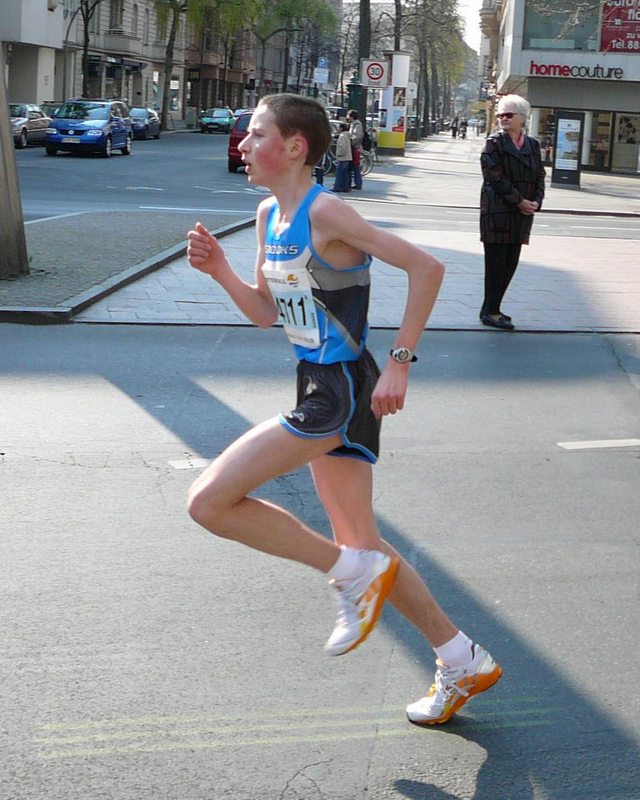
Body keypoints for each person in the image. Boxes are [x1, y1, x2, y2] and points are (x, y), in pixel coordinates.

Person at [186, 93, 502, 726]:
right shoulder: (266, 215)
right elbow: (265, 313)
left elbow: (427, 267)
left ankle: (345, 572)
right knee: (366, 542)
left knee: (209, 502)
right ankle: (460, 657)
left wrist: (400, 361)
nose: (243, 145)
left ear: (294, 146)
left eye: (255, 134)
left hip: (341, 392)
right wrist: (220, 271)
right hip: (318, 383)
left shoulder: (327, 212)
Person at [479, 94, 546, 330]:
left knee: (510, 264)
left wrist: (536, 201)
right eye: (500, 115)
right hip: (498, 213)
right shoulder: (493, 143)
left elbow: (540, 175)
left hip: (521, 215)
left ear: (521, 118)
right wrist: (520, 201)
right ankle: (491, 311)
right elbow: (495, 177)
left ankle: (492, 309)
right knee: (496, 265)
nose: (502, 119)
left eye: (508, 115)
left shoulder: (533, 145)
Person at [346, 108, 364, 190]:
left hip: (355, 148)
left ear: (352, 116)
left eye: (348, 116)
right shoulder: (354, 124)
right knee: (353, 167)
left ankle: (358, 184)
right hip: (353, 148)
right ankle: (354, 183)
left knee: (355, 167)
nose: (347, 117)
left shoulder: (357, 125)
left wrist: (351, 141)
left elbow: (357, 136)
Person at [332, 121, 352, 193]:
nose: (337, 129)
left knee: (339, 173)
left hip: (342, 157)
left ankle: (336, 187)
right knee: (344, 174)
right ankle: (346, 187)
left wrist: (339, 154)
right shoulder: (347, 135)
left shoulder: (342, 136)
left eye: (338, 127)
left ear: (341, 128)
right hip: (347, 157)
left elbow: (343, 147)